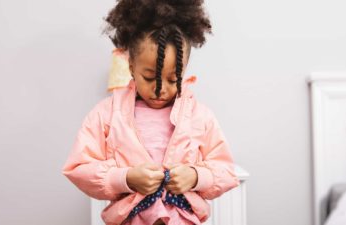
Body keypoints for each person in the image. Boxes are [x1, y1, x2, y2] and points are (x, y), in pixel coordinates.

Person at [62, 1, 240, 224]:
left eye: (172, 79)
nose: (160, 89)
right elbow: (79, 167)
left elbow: (226, 170)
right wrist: (125, 178)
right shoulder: (107, 114)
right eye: (149, 77)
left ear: (184, 71)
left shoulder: (199, 117)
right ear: (131, 67)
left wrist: (196, 177)